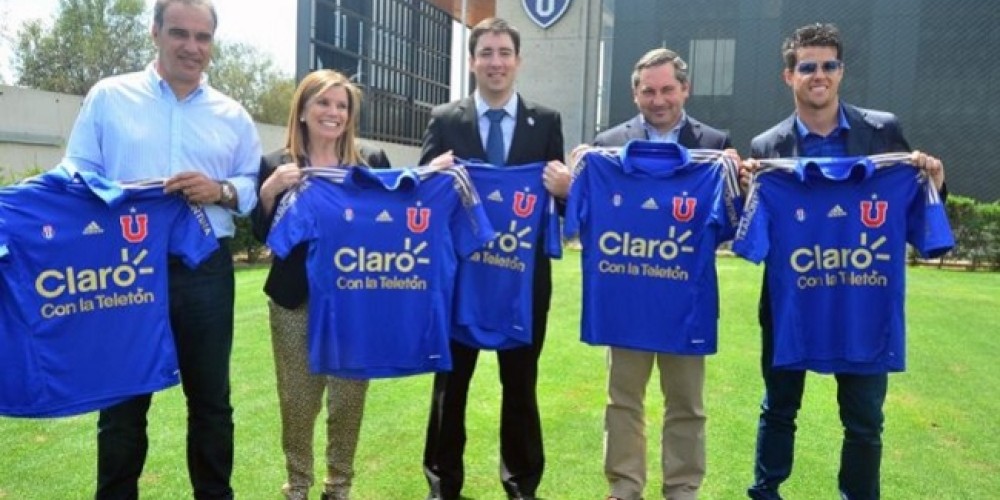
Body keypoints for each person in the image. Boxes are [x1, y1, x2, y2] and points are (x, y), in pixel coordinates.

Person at [62, 0, 261, 498]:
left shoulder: (233, 116)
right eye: (179, 33)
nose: (192, 47)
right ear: (154, 32)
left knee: (212, 401)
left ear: (213, 43)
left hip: (205, 271)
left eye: (203, 37)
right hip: (125, 269)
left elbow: (251, 186)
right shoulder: (109, 97)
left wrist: (220, 190)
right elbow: (75, 172)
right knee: (123, 399)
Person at [743, 23, 945, 500]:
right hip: (792, 301)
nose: (819, 75)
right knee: (779, 407)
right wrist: (746, 186)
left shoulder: (884, 131)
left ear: (841, 71)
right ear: (788, 75)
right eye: (807, 66)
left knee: (865, 422)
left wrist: (934, 179)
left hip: (863, 300)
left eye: (828, 65)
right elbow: (750, 235)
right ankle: (766, 492)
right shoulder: (767, 148)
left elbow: (918, 217)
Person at [420, 17, 570, 500]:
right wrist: (430, 173)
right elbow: (421, 199)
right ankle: (443, 485)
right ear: (472, 61)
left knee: (521, 387)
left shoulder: (545, 122)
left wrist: (564, 191)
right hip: (460, 279)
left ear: (518, 60)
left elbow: (559, 200)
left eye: (504, 52)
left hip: (522, 280)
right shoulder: (446, 120)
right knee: (450, 386)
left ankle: (522, 484)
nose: (495, 62)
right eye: (486, 52)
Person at [591, 48, 733, 500]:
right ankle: (625, 486)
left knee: (687, 403)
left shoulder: (714, 144)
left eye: (667, 89)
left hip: (686, 300)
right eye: (648, 90)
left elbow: (729, 223)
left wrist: (739, 181)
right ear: (635, 94)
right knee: (623, 400)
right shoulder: (607, 145)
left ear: (685, 89)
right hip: (628, 293)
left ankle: (683, 488)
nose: (658, 99)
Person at [250, 69, 390, 500]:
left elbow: (393, 221)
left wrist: (431, 174)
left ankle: (339, 485)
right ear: (304, 111)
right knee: (298, 399)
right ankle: (297, 485)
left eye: (341, 105)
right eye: (323, 103)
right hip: (294, 299)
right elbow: (260, 232)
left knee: (348, 399)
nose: (333, 112)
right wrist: (270, 192)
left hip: (354, 301)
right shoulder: (277, 164)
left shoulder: (370, 164)